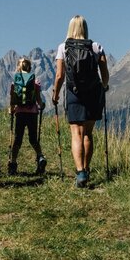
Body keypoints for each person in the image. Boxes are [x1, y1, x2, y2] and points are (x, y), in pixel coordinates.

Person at [51, 15, 110, 188]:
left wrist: (55, 93)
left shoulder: (63, 47)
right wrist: (103, 87)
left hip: (74, 93)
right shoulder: (96, 47)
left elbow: (60, 75)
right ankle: (87, 167)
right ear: (85, 28)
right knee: (88, 134)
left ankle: (80, 172)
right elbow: (105, 74)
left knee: (76, 133)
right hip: (93, 94)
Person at [8, 57, 47, 175]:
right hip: (32, 113)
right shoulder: (35, 82)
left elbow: (13, 99)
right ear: (29, 67)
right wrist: (42, 105)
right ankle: (40, 157)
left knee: (17, 140)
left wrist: (12, 109)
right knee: (33, 138)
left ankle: (13, 164)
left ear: (18, 68)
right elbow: (39, 100)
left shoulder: (15, 83)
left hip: (20, 113)